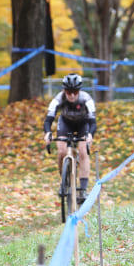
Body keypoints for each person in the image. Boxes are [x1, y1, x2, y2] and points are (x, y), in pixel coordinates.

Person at [43, 73, 97, 203]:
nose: (72, 95)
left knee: (83, 151)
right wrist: (47, 133)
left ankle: (83, 190)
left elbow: (93, 122)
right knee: (61, 150)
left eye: (75, 91)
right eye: (68, 92)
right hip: (66, 123)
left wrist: (90, 134)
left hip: (83, 124)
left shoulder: (86, 99)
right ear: (64, 91)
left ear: (79, 91)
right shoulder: (58, 99)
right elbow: (48, 119)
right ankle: (64, 181)